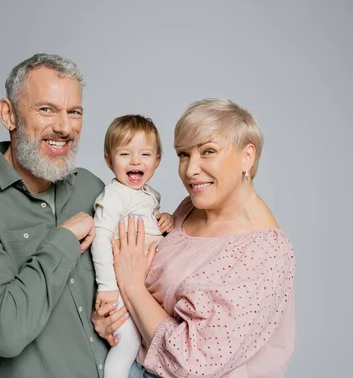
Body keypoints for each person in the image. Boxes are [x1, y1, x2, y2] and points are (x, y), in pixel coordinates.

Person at [0, 53, 126, 378]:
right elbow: (3, 333)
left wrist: (105, 318)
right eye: (46, 109)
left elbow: (130, 280)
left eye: (74, 112)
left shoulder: (91, 188)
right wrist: (63, 241)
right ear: (8, 114)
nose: (64, 127)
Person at [104, 99, 297, 377]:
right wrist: (112, 319)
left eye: (208, 151)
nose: (191, 169)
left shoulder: (265, 252)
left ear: (247, 156)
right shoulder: (192, 207)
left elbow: (192, 364)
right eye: (183, 154)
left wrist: (132, 286)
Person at [91, 115, 174, 377]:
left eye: (145, 154)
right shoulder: (115, 194)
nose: (136, 161)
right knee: (128, 343)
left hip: (142, 287)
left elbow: (149, 227)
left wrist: (166, 220)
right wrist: (107, 287)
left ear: (157, 160)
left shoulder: (150, 196)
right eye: (125, 154)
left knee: (149, 343)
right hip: (117, 287)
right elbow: (101, 236)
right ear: (109, 159)